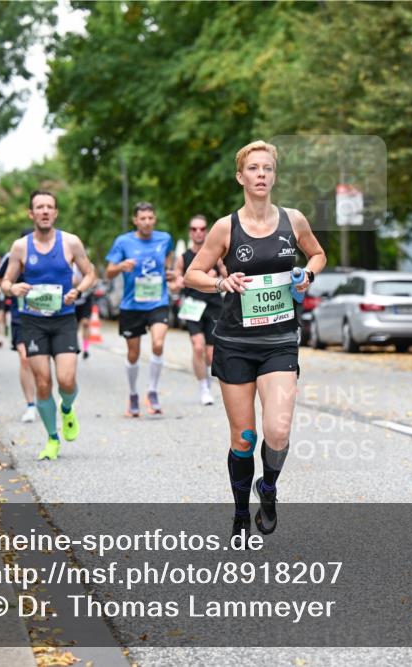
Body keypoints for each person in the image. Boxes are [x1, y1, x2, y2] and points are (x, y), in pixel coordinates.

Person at [184, 140, 326, 539]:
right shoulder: (225, 227)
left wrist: (307, 275)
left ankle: (269, 488)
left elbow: (317, 255)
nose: (261, 174)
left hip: (280, 339)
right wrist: (220, 281)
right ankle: (241, 511)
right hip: (235, 344)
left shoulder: (293, 220)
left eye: (267, 168)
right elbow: (193, 273)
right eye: (254, 168)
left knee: (278, 431)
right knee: (244, 437)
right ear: (241, 177)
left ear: (273, 176)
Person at [1, 191, 96, 460]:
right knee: (43, 383)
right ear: (31, 214)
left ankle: (67, 407)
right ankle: (52, 439)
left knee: (66, 380)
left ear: (55, 213)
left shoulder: (70, 242)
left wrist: (78, 291)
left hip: (64, 319)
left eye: (49, 207)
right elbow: (5, 283)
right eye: (39, 207)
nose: (44, 211)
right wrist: (13, 287)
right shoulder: (20, 247)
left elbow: (90, 274)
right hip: (33, 323)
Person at [105, 202, 175, 417]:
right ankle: (134, 394)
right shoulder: (123, 242)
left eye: (150, 218)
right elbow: (108, 273)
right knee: (133, 353)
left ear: (154, 219)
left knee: (158, 343)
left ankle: (152, 391)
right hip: (132, 305)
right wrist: (120, 266)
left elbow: (168, 259)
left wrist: (169, 272)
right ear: (135, 220)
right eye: (142, 218)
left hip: (157, 301)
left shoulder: (165, 238)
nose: (147, 222)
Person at [173, 215, 226, 406]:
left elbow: (227, 274)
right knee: (197, 346)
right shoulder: (183, 257)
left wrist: (218, 274)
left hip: (213, 307)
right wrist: (177, 283)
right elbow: (175, 282)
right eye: (194, 229)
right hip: (193, 306)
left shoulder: (216, 255)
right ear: (190, 232)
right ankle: (203, 387)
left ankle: (208, 382)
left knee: (211, 355)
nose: (198, 232)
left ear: (207, 231)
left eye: (202, 229)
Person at [0, 233, 37, 423]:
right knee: (25, 359)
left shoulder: (52, 253)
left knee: (41, 363)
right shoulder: (12, 256)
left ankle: (45, 399)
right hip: (21, 316)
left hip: (47, 317)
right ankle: (30, 405)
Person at [72, 256, 96, 359]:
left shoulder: (90, 267)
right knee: (74, 326)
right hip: (73, 300)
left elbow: (94, 281)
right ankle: (74, 345)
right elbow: (71, 282)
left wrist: (88, 283)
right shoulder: (71, 267)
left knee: (86, 323)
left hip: (86, 299)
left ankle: (86, 349)